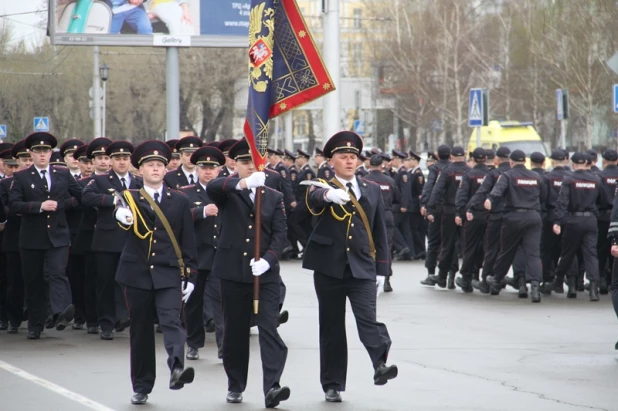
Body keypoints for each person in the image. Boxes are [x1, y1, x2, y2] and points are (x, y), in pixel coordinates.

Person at [303, 131, 397, 403]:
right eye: (343, 157)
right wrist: (329, 195)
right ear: (331, 160)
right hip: (329, 268)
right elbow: (313, 199)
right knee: (332, 327)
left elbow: (379, 231)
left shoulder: (372, 189)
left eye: (353, 157)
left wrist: (382, 270)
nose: (349, 161)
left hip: (362, 267)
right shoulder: (320, 184)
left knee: (367, 318)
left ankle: (380, 364)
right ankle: (332, 383)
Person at [207, 139, 290, 408]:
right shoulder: (228, 190)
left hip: (264, 276)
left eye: (254, 163)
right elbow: (212, 187)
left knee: (269, 328)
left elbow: (280, 233)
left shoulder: (274, 196)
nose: (250, 167)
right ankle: (235, 384)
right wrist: (243, 184)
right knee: (235, 332)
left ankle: (272, 386)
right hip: (232, 272)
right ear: (235, 165)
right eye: (244, 162)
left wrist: (269, 260)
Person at [114, 140, 197, 405]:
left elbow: (188, 241)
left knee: (172, 320)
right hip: (137, 273)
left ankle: (177, 368)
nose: (156, 169)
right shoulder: (130, 197)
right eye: (150, 165)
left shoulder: (180, 201)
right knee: (141, 331)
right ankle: (141, 385)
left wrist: (191, 277)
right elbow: (122, 217)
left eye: (160, 165)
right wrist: (121, 216)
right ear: (140, 170)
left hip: (168, 273)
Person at [9, 132, 82, 339]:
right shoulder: (21, 176)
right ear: (31, 153)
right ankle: (36, 324)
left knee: (57, 272)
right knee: (34, 281)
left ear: (51, 153)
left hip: (58, 234)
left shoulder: (62, 174)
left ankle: (60, 312)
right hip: (32, 237)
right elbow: (14, 205)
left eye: (46, 151)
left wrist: (108, 201)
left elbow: (80, 195)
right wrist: (39, 206)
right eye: (38, 151)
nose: (43, 155)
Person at [82, 140, 139, 340]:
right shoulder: (101, 181)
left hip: (133, 239)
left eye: (125, 158)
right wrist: (112, 200)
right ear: (112, 161)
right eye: (117, 158)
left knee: (128, 281)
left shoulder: (138, 181)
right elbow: (87, 197)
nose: (122, 162)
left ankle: (123, 317)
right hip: (106, 240)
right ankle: (106, 323)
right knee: (105, 282)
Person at [180, 146, 224, 361]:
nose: (208, 172)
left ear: (219, 170)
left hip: (220, 255)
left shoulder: (226, 190)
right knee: (193, 303)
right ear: (197, 170)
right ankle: (194, 343)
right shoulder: (187, 192)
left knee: (221, 302)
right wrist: (201, 212)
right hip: (196, 255)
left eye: (212, 168)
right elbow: (177, 218)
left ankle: (224, 346)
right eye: (203, 168)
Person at [485, 150, 547, 303]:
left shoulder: (507, 175)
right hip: (533, 217)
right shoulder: (536, 176)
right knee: (533, 253)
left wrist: (490, 200)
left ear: (511, 162)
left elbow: (498, 191)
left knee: (506, 250)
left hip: (514, 217)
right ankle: (535, 288)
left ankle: (497, 279)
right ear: (524, 161)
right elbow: (544, 196)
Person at [550, 152, 601, 300]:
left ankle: (564, 283)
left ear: (572, 164)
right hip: (591, 220)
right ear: (587, 163)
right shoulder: (596, 180)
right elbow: (601, 200)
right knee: (591, 254)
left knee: (568, 253)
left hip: (573, 220)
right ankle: (593, 289)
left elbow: (562, 202)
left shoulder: (569, 179)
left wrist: (558, 221)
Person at [425, 146, 469, 289]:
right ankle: (465, 277)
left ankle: (443, 276)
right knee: (465, 246)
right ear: (465, 155)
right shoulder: (469, 171)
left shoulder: (447, 172)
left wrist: (430, 208)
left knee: (447, 245)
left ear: (451, 156)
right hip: (466, 213)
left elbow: (436, 190)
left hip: (449, 211)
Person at [1, 141, 29, 334]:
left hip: (33, 235)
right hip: (11, 235)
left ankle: (33, 316)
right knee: (10, 279)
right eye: (22, 160)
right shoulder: (6, 184)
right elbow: (5, 208)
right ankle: (9, 317)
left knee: (31, 279)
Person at [454, 147, 490, 292]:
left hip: (472, 215)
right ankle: (483, 277)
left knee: (469, 248)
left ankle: (467, 278)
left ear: (472, 159)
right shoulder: (491, 174)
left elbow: (462, 196)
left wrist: (460, 213)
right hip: (489, 215)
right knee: (486, 248)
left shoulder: (469, 175)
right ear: (486, 159)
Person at [363, 154, 399, 291]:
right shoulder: (389, 180)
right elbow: (397, 198)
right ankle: (386, 279)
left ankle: (370, 276)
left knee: (369, 246)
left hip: (369, 216)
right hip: (386, 214)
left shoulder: (363, 180)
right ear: (382, 165)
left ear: (369, 165)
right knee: (386, 247)